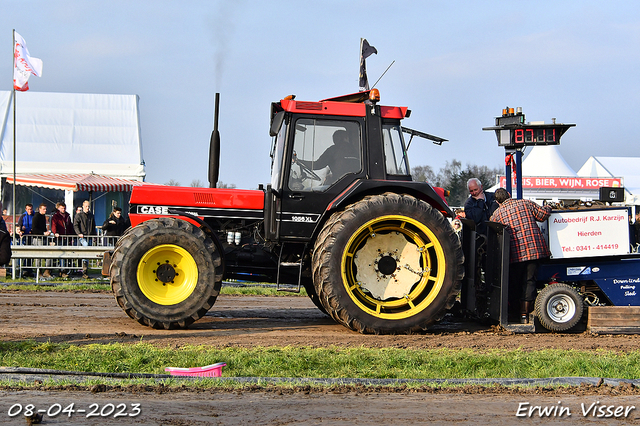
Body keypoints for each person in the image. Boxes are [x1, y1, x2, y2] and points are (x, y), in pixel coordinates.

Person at [490, 188, 552, 324]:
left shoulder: (496, 214)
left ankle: (515, 313)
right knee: (529, 281)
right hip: (534, 250)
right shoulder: (525, 203)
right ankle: (525, 314)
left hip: (514, 254)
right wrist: (548, 206)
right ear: (509, 195)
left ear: (497, 202)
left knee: (515, 284)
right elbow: (543, 215)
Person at [294, 129, 360, 186]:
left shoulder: (333, 150)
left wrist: (298, 161)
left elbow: (317, 165)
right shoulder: (357, 151)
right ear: (346, 138)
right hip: (355, 183)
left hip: (340, 185)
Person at [51, 202, 75, 278]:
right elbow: (53, 225)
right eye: (62, 208)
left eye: (64, 208)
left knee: (67, 255)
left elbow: (70, 226)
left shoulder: (67, 216)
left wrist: (72, 236)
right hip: (59, 237)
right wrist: (55, 233)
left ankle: (67, 269)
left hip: (67, 237)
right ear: (58, 208)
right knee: (61, 255)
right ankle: (62, 270)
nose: (63, 209)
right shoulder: (55, 216)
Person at [73, 200, 96, 278]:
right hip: (82, 236)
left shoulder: (91, 216)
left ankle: (85, 270)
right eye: (86, 206)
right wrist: (79, 233)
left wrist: (95, 236)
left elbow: (93, 226)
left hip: (89, 236)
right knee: (85, 249)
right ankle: (84, 270)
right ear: (83, 207)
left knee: (88, 252)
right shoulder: (79, 215)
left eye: (88, 206)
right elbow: (75, 225)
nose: (87, 208)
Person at [31, 203, 52, 277]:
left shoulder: (43, 217)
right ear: (39, 209)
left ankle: (47, 270)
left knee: (48, 255)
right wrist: (43, 233)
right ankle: (38, 271)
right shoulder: (36, 217)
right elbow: (34, 229)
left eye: (45, 209)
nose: (45, 210)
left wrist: (46, 233)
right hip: (38, 238)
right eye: (43, 209)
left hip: (43, 238)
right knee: (38, 256)